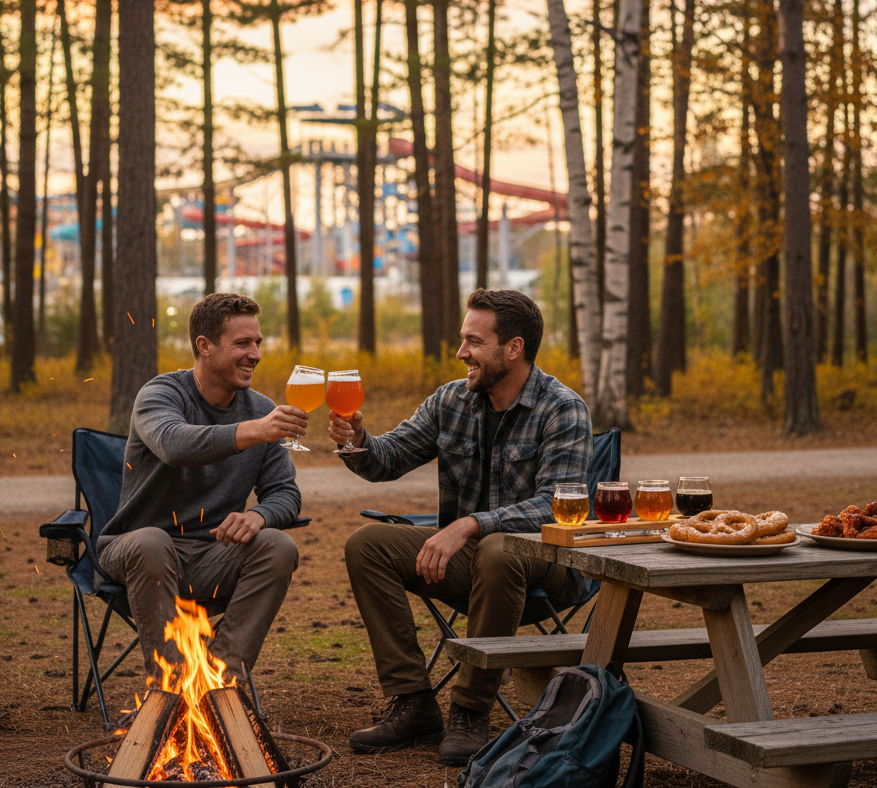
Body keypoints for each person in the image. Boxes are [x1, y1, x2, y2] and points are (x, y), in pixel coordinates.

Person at [330, 288, 592, 765]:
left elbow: (558, 505)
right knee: (368, 544)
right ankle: (412, 701)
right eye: (461, 339)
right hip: (471, 564)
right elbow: (387, 460)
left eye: (474, 341)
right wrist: (358, 439)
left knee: (499, 549)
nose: (460, 352)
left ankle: (471, 708)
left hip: (548, 565)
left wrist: (471, 524)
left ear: (513, 348)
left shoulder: (562, 408)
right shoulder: (452, 400)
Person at [99, 293, 306, 688]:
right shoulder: (160, 395)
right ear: (204, 346)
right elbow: (175, 445)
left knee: (279, 546)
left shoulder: (261, 407)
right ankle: (173, 688)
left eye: (258, 343)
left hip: (212, 555)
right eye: (242, 343)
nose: (255, 354)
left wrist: (258, 516)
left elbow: (285, 493)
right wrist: (254, 431)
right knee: (151, 543)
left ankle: (220, 684)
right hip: (137, 553)